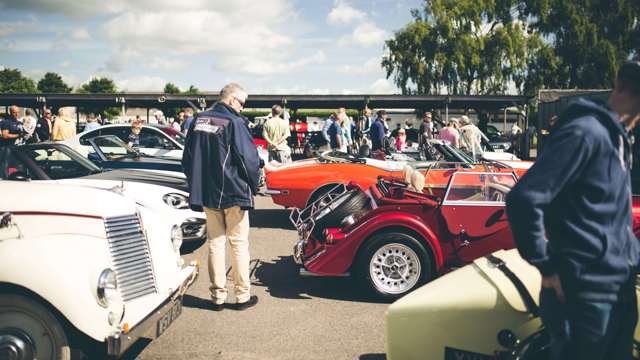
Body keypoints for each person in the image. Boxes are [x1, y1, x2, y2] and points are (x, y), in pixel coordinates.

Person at [506, 61, 640, 360]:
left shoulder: (617, 138)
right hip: (585, 294)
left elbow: (605, 218)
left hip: (616, 288)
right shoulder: (585, 132)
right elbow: (524, 199)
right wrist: (546, 265)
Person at [182, 82, 260, 311]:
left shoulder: (198, 120)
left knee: (215, 243)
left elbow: (187, 158)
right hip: (233, 191)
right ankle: (242, 296)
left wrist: (197, 183)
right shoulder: (235, 122)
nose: (243, 109)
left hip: (207, 192)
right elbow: (249, 160)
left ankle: (217, 297)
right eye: (242, 104)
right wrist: (253, 185)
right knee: (238, 244)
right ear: (232, 100)